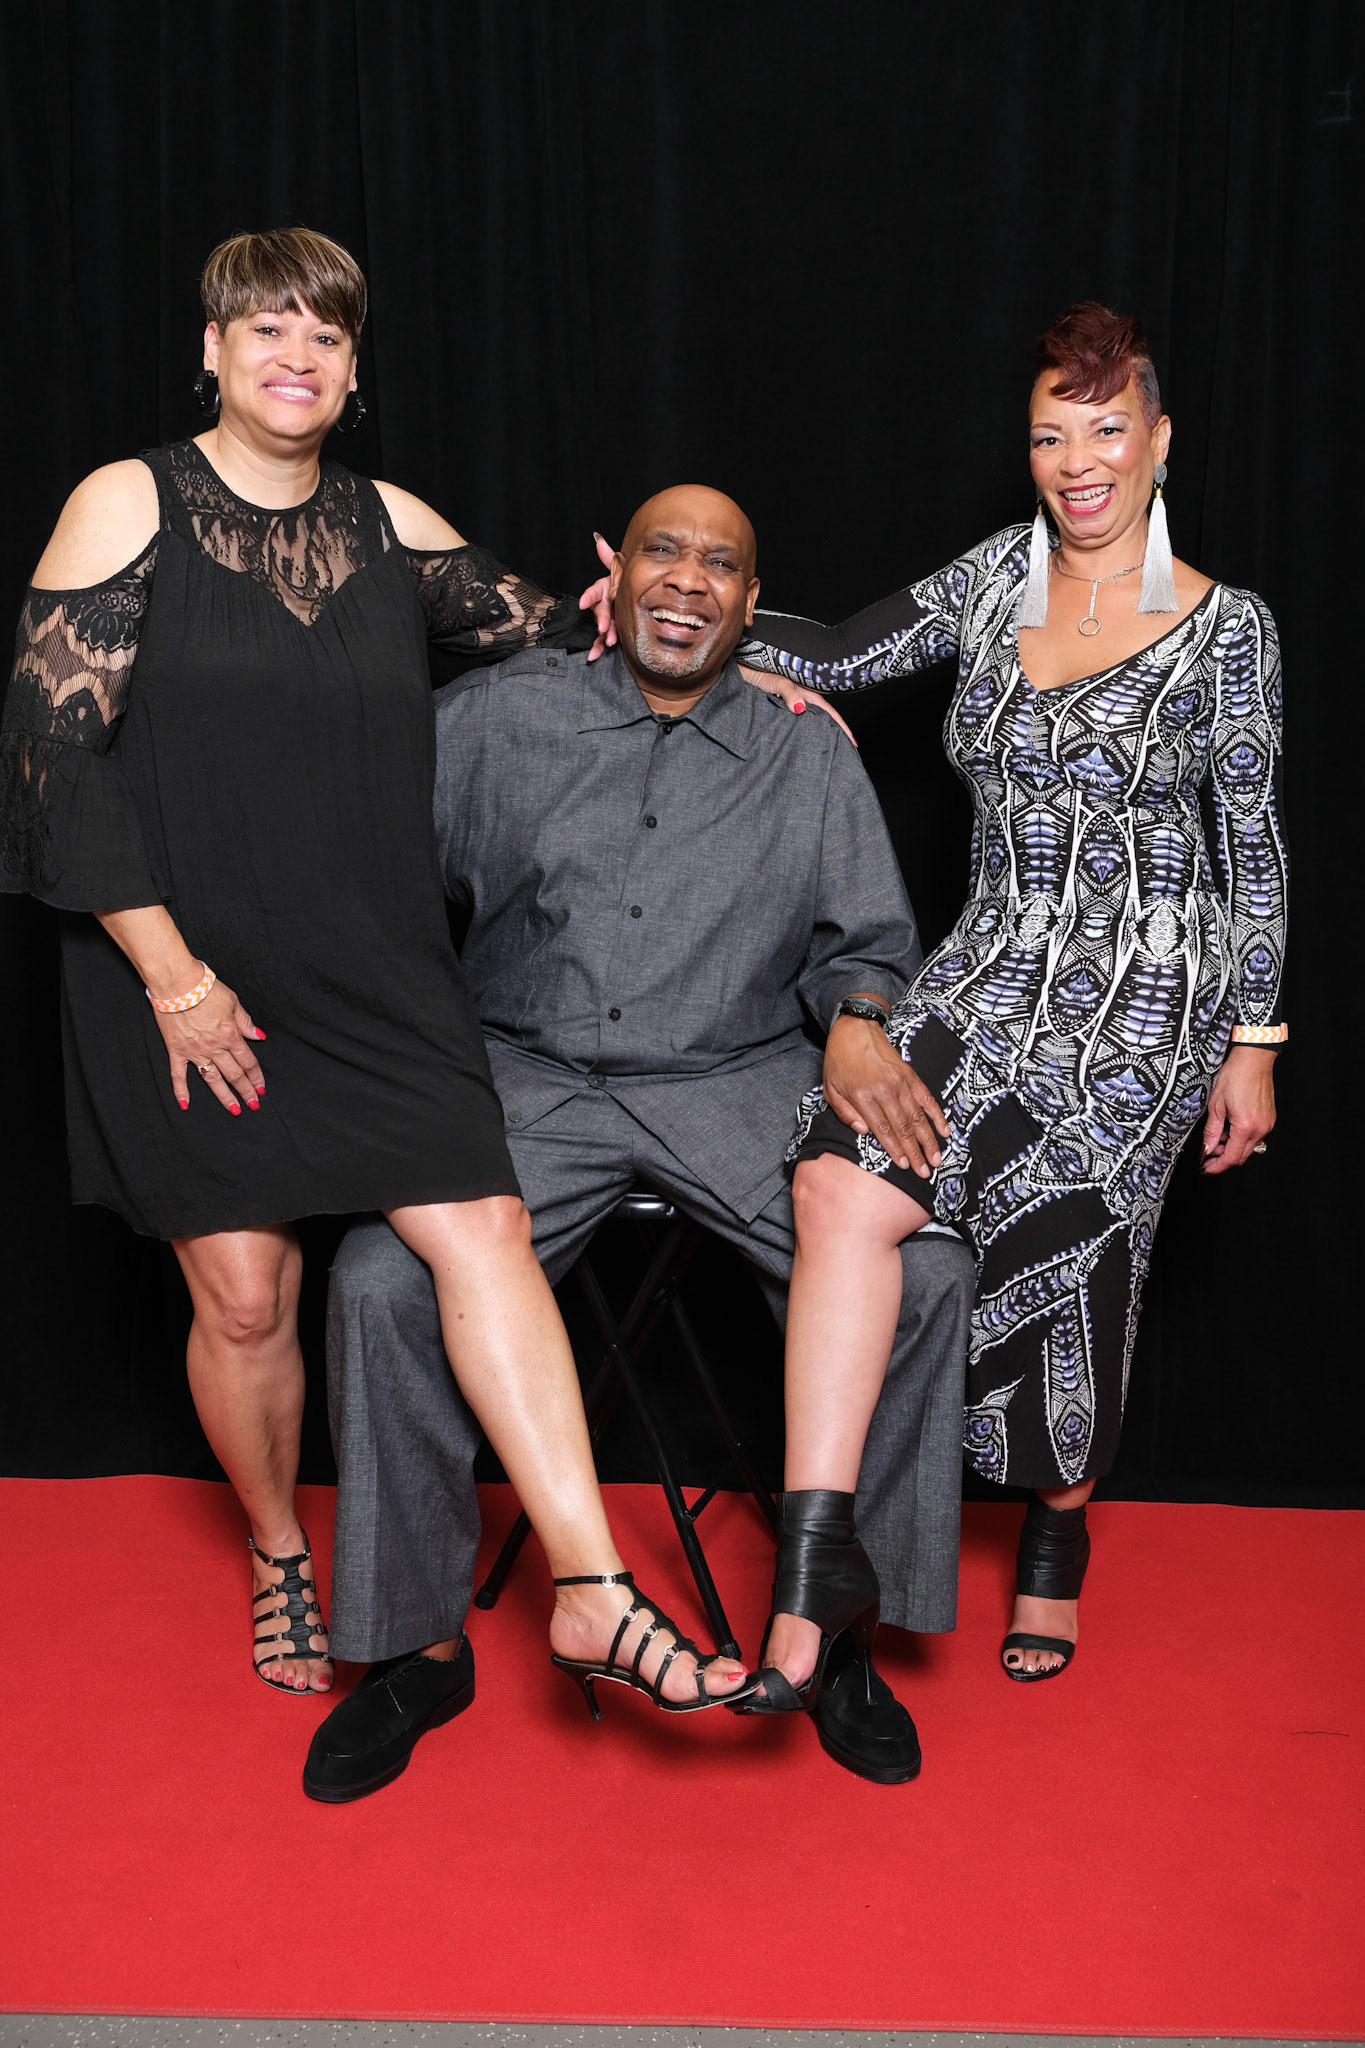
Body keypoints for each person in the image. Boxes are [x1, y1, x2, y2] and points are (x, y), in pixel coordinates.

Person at [0, 226, 753, 1719]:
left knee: (485, 1225)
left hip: (370, 964)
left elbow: (577, 635)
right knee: (246, 1302)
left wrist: (743, 657)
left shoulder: (389, 524)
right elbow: (47, 764)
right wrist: (175, 980)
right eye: (268, 328)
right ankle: (281, 1547)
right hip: (178, 966)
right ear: (213, 350)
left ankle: (590, 1591)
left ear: (354, 370)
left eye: (327, 335)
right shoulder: (126, 503)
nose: (298, 356)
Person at [308, 484, 976, 1801]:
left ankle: (840, 1629)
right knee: (379, 1282)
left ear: (750, 602)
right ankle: (415, 1648)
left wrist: (857, 1020)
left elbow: (867, 944)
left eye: (718, 564)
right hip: (525, 1078)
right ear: (614, 575)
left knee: (924, 1278)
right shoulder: (496, 718)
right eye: (662, 551)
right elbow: (371, 883)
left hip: (736, 1078)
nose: (687, 579)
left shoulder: (804, 750)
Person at [738, 303, 1286, 1684]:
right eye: (1050, 436)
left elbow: (1253, 847)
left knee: (1075, 1259)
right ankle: (822, 1543)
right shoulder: (996, 577)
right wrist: (679, 607)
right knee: (840, 1179)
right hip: (985, 966)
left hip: (1148, 1000)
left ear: (1159, 440)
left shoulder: (1228, 629)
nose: (1077, 462)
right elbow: (839, 655)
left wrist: (1255, 1040)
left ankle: (1055, 1530)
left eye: (1105, 429)